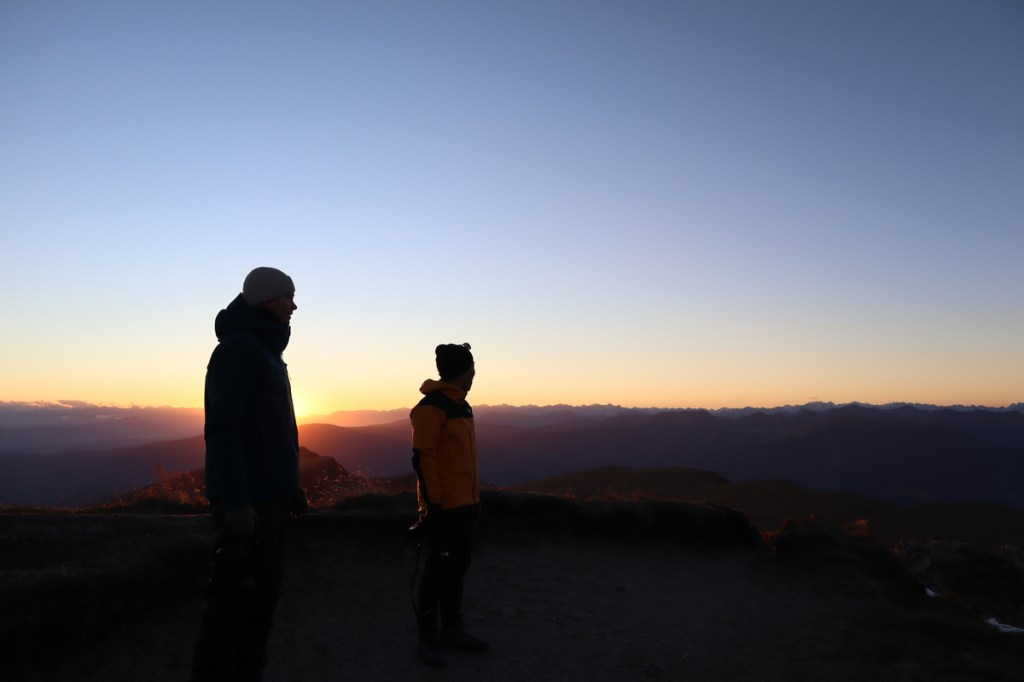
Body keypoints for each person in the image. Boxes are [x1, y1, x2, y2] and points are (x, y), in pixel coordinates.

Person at [189, 266, 307, 682]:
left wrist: (288, 487)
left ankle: (246, 673)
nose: (295, 305)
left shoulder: (265, 352)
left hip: (269, 498)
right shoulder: (241, 350)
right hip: (249, 503)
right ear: (266, 300)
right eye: (288, 296)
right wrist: (236, 501)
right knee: (232, 602)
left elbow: (271, 431)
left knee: (260, 597)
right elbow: (224, 430)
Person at [410, 342, 489, 667]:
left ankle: (452, 628)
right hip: (444, 507)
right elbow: (423, 458)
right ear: (463, 371)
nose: (475, 375)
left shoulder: (461, 406)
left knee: (457, 569)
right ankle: (428, 638)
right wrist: (434, 507)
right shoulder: (432, 408)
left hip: (466, 503)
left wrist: (474, 499)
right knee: (435, 572)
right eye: (472, 369)